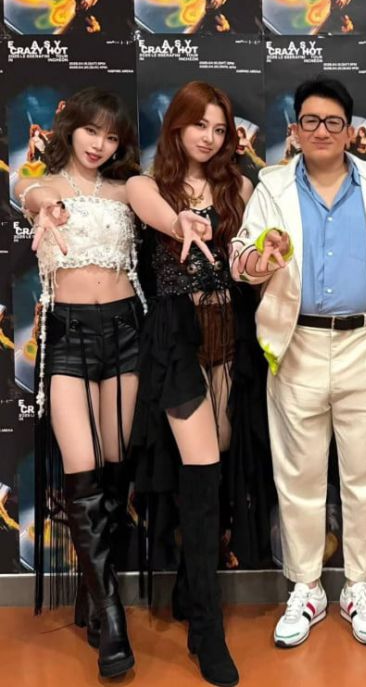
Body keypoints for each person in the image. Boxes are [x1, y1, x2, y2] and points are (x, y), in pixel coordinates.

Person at [230, 77, 366, 650]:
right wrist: (260, 260)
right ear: (294, 130)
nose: (321, 131)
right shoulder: (270, 186)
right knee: (299, 477)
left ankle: (359, 586)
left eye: (333, 122)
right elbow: (241, 259)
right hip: (297, 346)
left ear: (349, 131)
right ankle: (307, 587)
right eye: (310, 121)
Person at [127, 81, 263, 687]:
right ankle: (206, 630)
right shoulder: (147, 185)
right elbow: (153, 211)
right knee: (203, 473)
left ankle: (189, 585)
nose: (209, 137)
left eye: (219, 127)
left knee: (221, 464)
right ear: (176, 126)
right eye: (199, 124)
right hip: (177, 340)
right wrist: (179, 219)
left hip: (229, 335)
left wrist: (259, 261)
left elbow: (249, 261)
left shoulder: (240, 187)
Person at [16, 88, 144, 680]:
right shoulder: (41, 187)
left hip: (125, 330)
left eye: (112, 136)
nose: (100, 145)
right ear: (71, 129)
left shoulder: (125, 189)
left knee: (115, 473)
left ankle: (94, 594)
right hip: (68, 334)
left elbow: (153, 206)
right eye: (92, 131)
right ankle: (112, 617)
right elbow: (34, 195)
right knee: (83, 471)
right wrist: (48, 206)